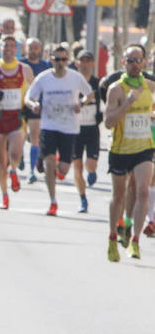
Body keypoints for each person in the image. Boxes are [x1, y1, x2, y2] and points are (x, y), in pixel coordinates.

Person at [24, 45, 92, 216]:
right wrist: (34, 105)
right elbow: (28, 97)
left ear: (68, 60)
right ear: (51, 60)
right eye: (57, 59)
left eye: (64, 59)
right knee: (49, 162)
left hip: (69, 127)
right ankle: (53, 201)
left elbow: (90, 94)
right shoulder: (43, 78)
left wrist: (81, 103)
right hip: (49, 125)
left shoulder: (75, 77)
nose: (60, 63)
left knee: (63, 169)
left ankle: (53, 161)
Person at [103, 45, 155, 261]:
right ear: (124, 62)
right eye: (131, 60)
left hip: (144, 147)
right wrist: (129, 102)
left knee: (143, 191)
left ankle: (135, 241)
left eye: (138, 60)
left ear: (144, 62)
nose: (135, 64)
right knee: (119, 196)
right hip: (121, 148)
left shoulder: (150, 86)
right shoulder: (116, 89)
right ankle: (113, 237)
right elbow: (108, 122)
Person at [0, 36, 34, 209]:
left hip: (17, 118)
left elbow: (33, 91)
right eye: (6, 46)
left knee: (14, 155)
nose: (9, 49)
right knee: (0, 161)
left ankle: (14, 171)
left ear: (17, 50)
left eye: (13, 46)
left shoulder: (25, 70)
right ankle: (4, 196)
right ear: (0, 49)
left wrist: (30, 105)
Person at [72, 50, 101, 213]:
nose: (84, 64)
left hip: (92, 129)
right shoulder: (72, 83)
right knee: (77, 167)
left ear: (92, 64)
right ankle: (83, 199)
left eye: (87, 61)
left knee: (90, 165)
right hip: (75, 130)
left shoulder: (98, 84)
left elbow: (105, 104)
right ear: (77, 64)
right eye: (81, 61)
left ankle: (92, 170)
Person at [20, 38, 53, 180]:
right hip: (19, 105)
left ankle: (31, 170)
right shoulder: (20, 64)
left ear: (40, 49)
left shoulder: (46, 66)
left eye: (36, 48)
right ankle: (19, 154)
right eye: (30, 48)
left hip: (36, 106)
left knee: (34, 136)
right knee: (19, 136)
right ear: (25, 49)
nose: (33, 51)